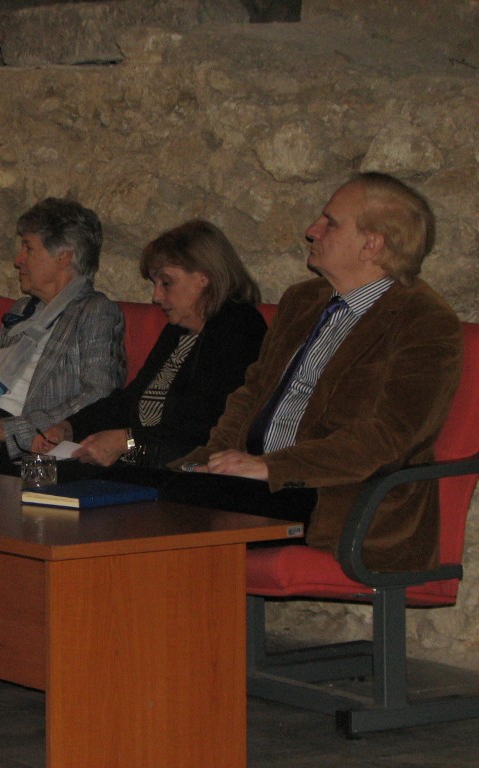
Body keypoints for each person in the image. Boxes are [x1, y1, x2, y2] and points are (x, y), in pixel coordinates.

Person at [173, 172, 462, 572]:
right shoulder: (302, 300)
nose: (312, 231)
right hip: (255, 486)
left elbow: (387, 439)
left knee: (163, 521)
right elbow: (251, 395)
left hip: (340, 498)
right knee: (145, 494)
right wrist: (208, 460)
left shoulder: (424, 321)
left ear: (372, 244)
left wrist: (273, 468)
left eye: (331, 223)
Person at [32, 219, 266, 469]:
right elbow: (130, 400)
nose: (156, 296)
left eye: (166, 283)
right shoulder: (178, 331)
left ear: (204, 277)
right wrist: (69, 427)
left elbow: (205, 426)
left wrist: (127, 441)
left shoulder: (239, 326)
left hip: (188, 469)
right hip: (145, 464)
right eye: (155, 284)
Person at [0, 197, 126, 460]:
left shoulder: (94, 311)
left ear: (63, 257)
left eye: (28, 248)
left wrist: (12, 430)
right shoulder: (23, 310)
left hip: (26, 452)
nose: (18, 260)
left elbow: (100, 396)